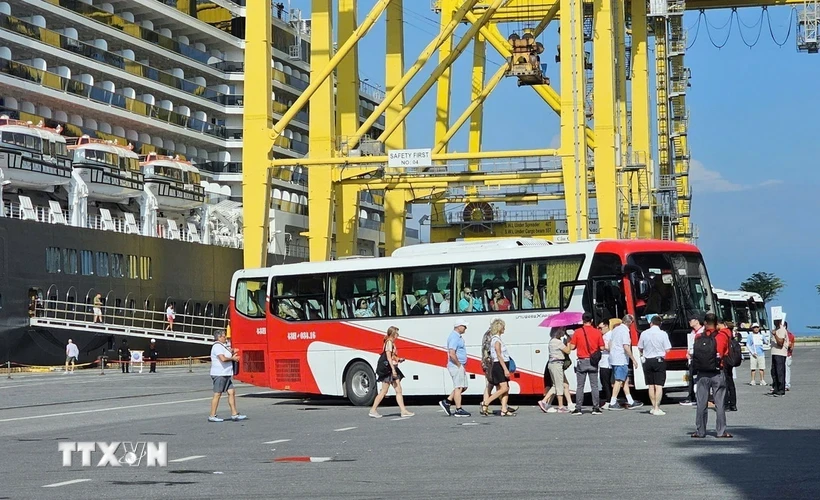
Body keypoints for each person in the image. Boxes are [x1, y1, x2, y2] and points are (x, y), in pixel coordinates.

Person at [691, 313, 731, 438]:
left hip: (702, 373)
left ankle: (700, 431)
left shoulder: (698, 337)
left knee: (701, 403)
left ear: (705, 323)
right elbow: (725, 352)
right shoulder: (722, 336)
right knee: (719, 403)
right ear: (716, 323)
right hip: (717, 372)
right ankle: (721, 431)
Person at [370, 326, 413, 418]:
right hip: (389, 370)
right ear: (393, 334)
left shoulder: (390, 343)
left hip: (392, 368)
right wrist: (393, 370)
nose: (398, 335)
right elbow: (388, 357)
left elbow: (392, 356)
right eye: (397, 333)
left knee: (398, 390)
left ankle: (403, 410)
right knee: (384, 391)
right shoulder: (389, 343)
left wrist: (398, 359)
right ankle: (373, 410)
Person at [569, 312, 604, 415]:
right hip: (593, 361)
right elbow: (602, 347)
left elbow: (572, 347)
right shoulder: (597, 332)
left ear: (582, 320)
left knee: (580, 386)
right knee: (594, 386)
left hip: (582, 361)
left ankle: (578, 408)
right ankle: (595, 408)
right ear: (592, 320)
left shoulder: (577, 332)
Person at [606, 315, 644, 410]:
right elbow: (626, 347)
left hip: (614, 357)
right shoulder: (625, 332)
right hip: (621, 359)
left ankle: (630, 401)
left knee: (625, 380)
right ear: (630, 323)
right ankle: (613, 402)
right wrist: (633, 359)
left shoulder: (615, 329)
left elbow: (610, 343)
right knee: (618, 381)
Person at [208, 330, 247, 422]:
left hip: (225, 373)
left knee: (231, 392)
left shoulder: (222, 346)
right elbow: (223, 358)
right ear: (219, 337)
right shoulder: (217, 346)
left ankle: (234, 414)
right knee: (217, 394)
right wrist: (233, 358)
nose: (225, 338)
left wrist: (233, 351)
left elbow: (227, 352)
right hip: (219, 374)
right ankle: (212, 415)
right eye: (224, 336)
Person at [637, 316, 672, 415]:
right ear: (660, 324)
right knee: (659, 385)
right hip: (659, 360)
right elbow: (668, 348)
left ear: (651, 323)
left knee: (651, 385)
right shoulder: (663, 334)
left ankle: (653, 407)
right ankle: (657, 407)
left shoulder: (644, 333)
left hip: (647, 360)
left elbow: (640, 347)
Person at [481, 318, 515, 416]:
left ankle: (504, 409)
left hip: (502, 364)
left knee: (506, 387)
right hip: (499, 365)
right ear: (499, 327)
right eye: (503, 326)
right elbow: (499, 355)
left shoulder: (497, 339)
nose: (504, 328)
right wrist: (505, 369)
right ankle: (486, 402)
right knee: (503, 388)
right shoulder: (496, 339)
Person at [439, 319, 471, 417]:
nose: (466, 328)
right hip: (456, 365)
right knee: (459, 387)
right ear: (458, 326)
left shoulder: (458, 337)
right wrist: (458, 364)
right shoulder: (454, 337)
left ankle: (447, 401)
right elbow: (452, 353)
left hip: (459, 365)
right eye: (464, 326)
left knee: (464, 387)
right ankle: (458, 409)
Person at [769, 319, 789, 396]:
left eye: (777, 321)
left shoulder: (782, 330)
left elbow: (780, 343)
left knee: (779, 371)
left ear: (780, 322)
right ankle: (776, 388)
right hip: (774, 353)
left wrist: (775, 335)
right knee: (774, 372)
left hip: (780, 353)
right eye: (774, 321)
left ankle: (781, 389)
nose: (775, 322)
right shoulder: (776, 330)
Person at [786, 322, 795, 391]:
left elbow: (791, 347)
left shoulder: (790, 335)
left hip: (787, 355)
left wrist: (789, 345)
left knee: (787, 370)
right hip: (779, 355)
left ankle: (787, 384)